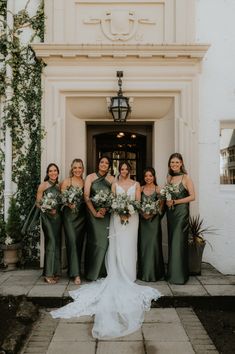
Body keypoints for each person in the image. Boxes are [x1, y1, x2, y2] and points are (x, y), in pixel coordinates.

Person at [51, 161, 161, 339]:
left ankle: (129, 274)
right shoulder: (113, 184)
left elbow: (138, 202)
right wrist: (120, 210)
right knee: (117, 246)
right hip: (117, 218)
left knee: (130, 246)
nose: (124, 171)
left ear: (130, 171)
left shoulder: (136, 185)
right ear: (119, 170)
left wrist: (129, 210)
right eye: (122, 168)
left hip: (132, 219)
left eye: (127, 169)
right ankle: (115, 271)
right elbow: (111, 202)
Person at [165, 153, 195, 284]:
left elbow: (192, 197)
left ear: (181, 163)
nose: (174, 164)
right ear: (169, 164)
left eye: (177, 162)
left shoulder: (186, 177)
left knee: (178, 241)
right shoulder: (169, 178)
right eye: (172, 162)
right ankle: (172, 273)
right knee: (172, 241)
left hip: (181, 213)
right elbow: (167, 195)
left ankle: (180, 276)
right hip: (171, 213)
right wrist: (167, 201)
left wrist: (176, 202)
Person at [84, 156, 114, 280]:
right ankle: (92, 273)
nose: (104, 164)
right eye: (102, 162)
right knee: (95, 241)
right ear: (98, 164)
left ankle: (103, 272)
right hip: (92, 215)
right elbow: (86, 196)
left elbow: (113, 196)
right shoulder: (90, 177)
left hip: (105, 215)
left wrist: (105, 208)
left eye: (106, 163)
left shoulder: (112, 179)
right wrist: (94, 212)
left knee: (105, 242)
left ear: (109, 166)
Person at [61, 159, 86, 285]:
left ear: (83, 169)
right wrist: (68, 203)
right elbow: (62, 198)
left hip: (81, 216)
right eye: (75, 167)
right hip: (69, 216)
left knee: (79, 243)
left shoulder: (85, 182)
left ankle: (73, 270)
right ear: (72, 168)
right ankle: (76, 274)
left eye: (79, 167)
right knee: (71, 242)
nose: (77, 170)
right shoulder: (67, 181)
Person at [138, 167, 165, 282]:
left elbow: (161, 206)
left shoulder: (159, 190)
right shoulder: (140, 188)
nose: (148, 178)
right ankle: (144, 273)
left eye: (150, 176)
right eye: (146, 176)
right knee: (144, 246)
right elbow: (136, 203)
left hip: (154, 223)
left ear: (154, 176)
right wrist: (142, 213)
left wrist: (152, 214)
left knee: (154, 246)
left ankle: (155, 273)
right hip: (143, 222)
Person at [36, 163, 62, 284]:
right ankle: (48, 274)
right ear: (47, 173)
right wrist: (47, 206)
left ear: (58, 172)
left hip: (57, 218)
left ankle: (55, 271)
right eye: (50, 171)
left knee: (56, 243)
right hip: (46, 218)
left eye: (55, 170)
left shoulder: (59, 186)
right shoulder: (43, 185)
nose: (53, 173)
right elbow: (38, 203)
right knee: (51, 241)